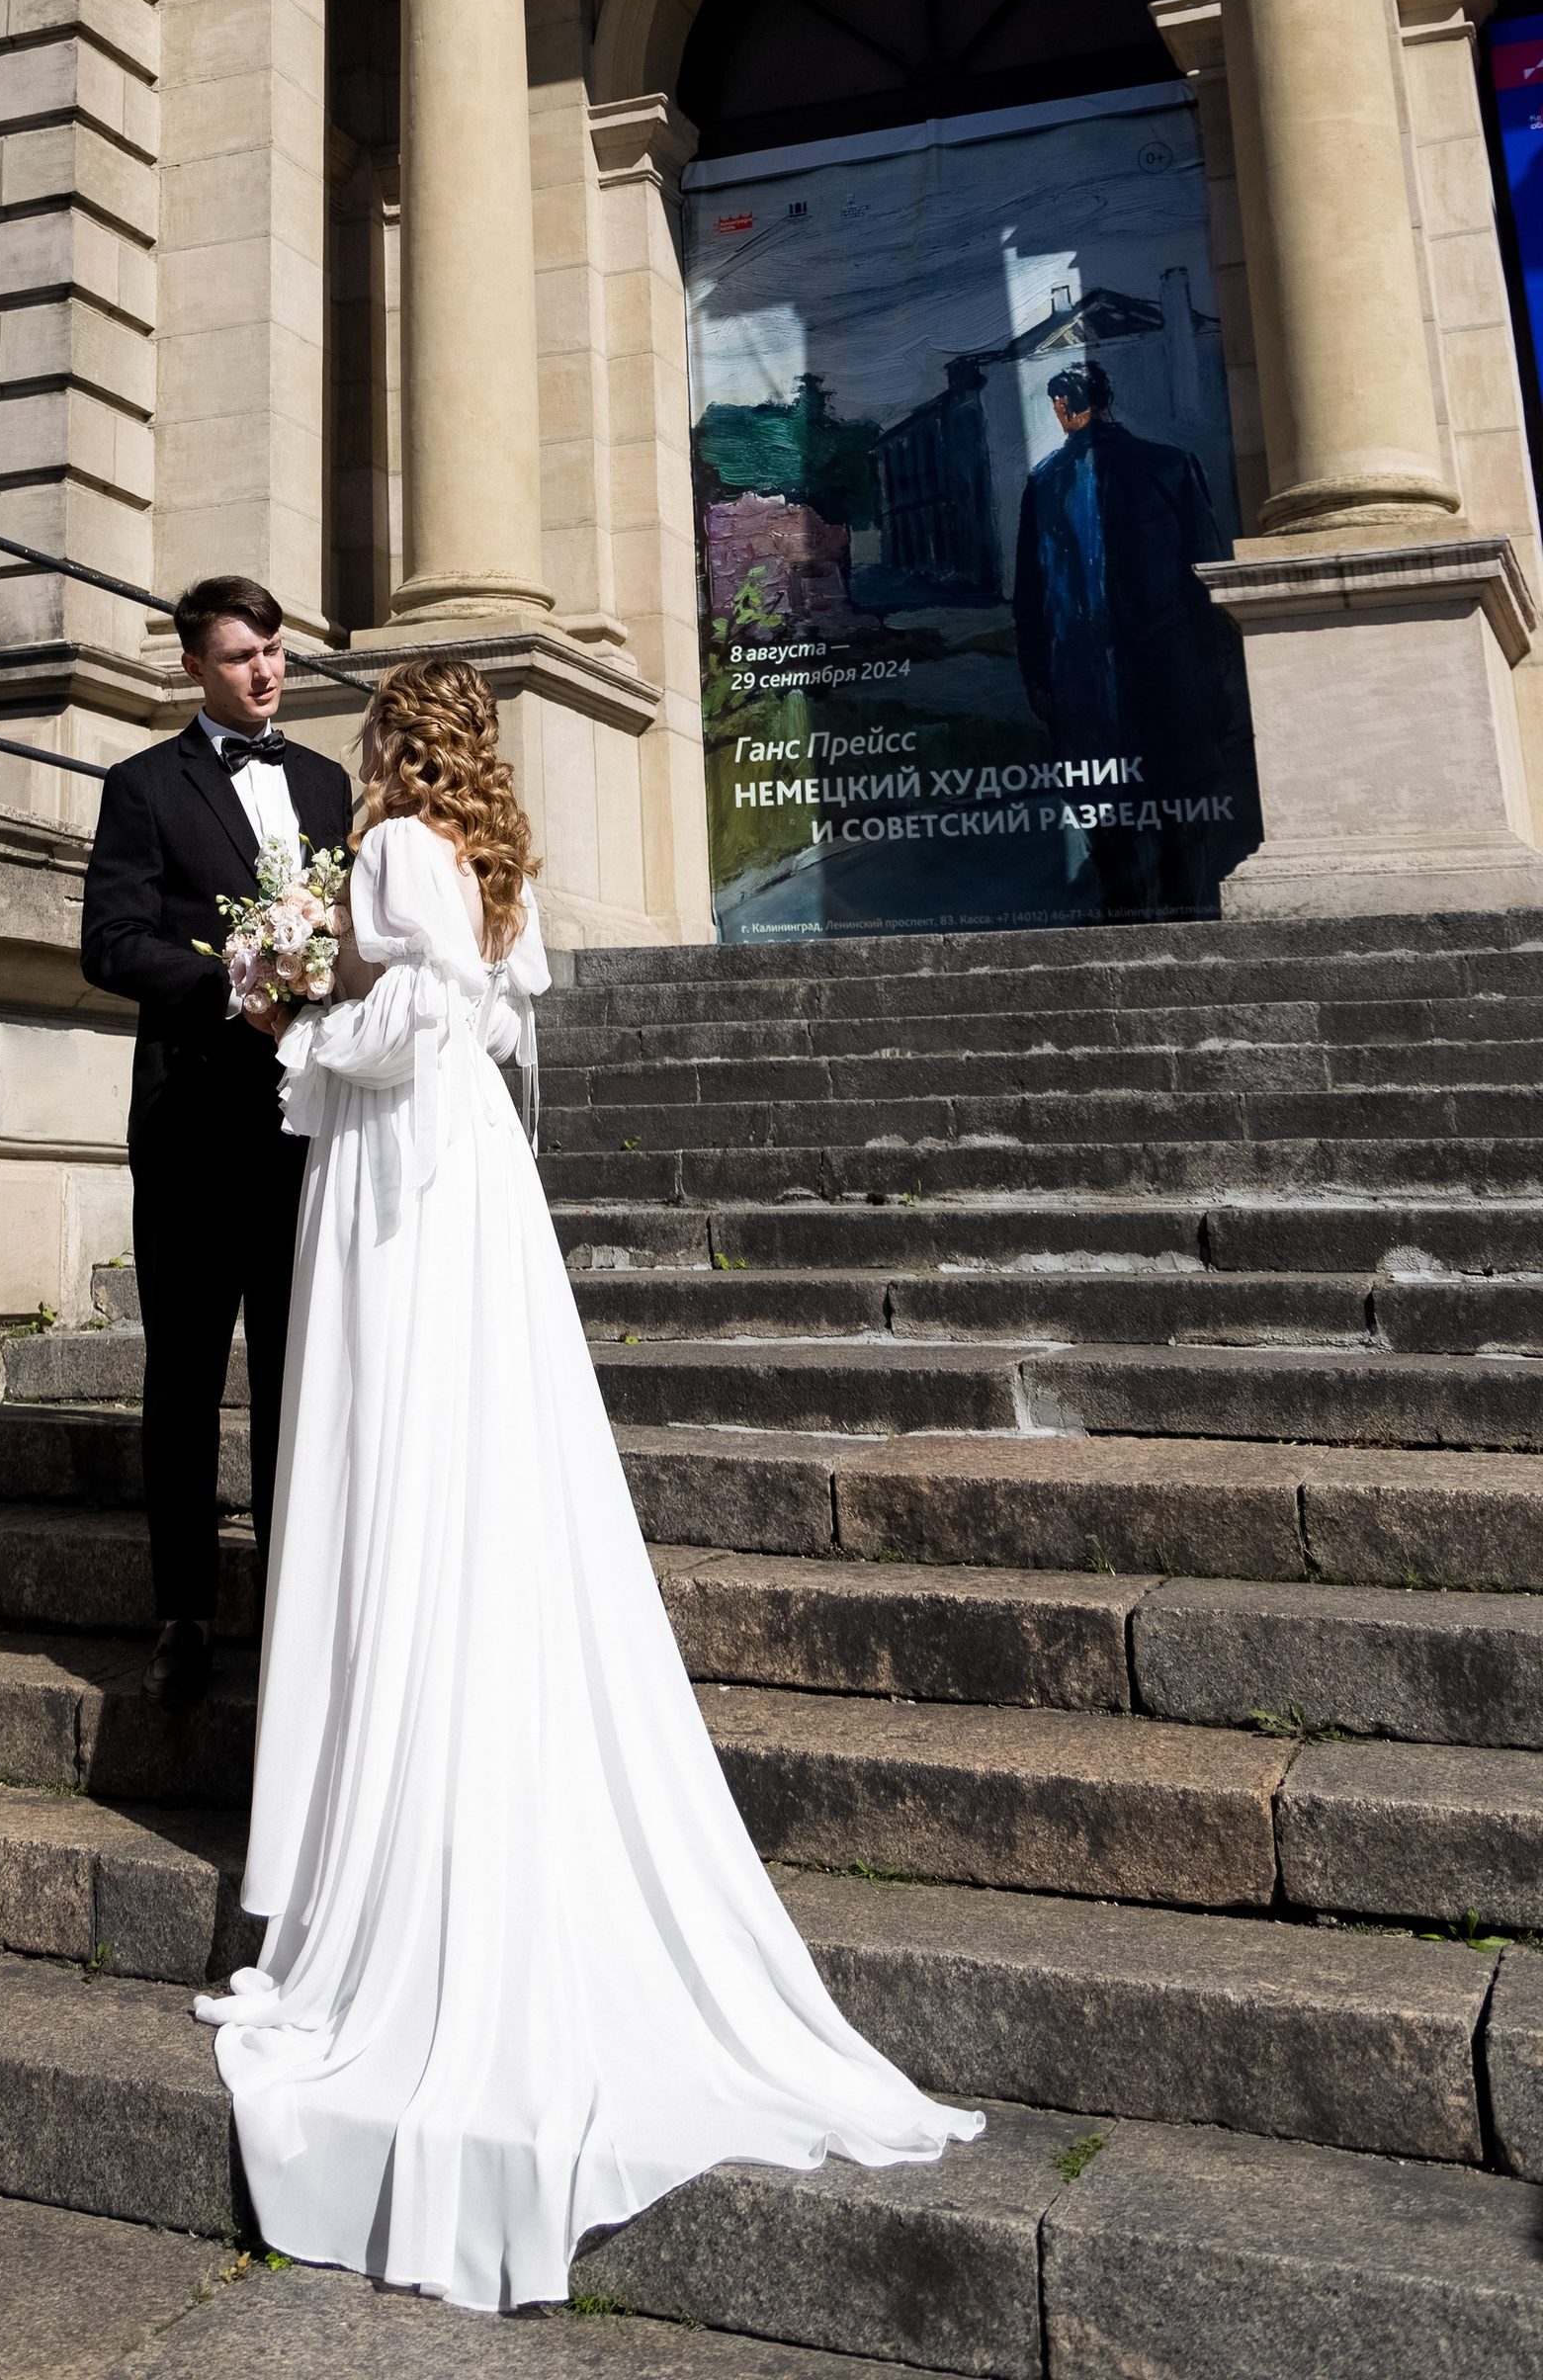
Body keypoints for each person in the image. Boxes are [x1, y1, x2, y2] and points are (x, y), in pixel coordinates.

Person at [200, 656, 979, 2314]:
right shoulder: (496, 856)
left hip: (403, 1167)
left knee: (394, 1444)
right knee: (470, 1451)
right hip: (470, 1167)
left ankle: (387, 1870)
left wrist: (297, 1019)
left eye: (374, 724)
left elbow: (409, 1023)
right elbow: (492, 1008)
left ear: (398, 738)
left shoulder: (399, 842)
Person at [79, 574, 355, 1710]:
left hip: (311, 1128)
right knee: (185, 1375)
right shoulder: (143, 786)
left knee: (302, 1372)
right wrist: (227, 982)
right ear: (194, 664)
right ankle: (184, 1613)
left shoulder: (331, 782)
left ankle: (296, 1596)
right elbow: (109, 943)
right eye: (241, 655)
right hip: (193, 1122)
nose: (266, 670)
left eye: (274, 649)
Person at [1012, 359, 1249, 910]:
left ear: (1064, 410)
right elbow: (1207, 573)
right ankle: (1184, 915)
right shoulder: (1172, 466)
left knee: (1108, 823)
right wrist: (1217, 667)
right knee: (1181, 813)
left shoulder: (1046, 483)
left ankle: (1126, 922)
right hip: (1172, 668)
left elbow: (1030, 598)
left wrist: (1036, 677)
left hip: (1084, 678)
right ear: (1109, 400)